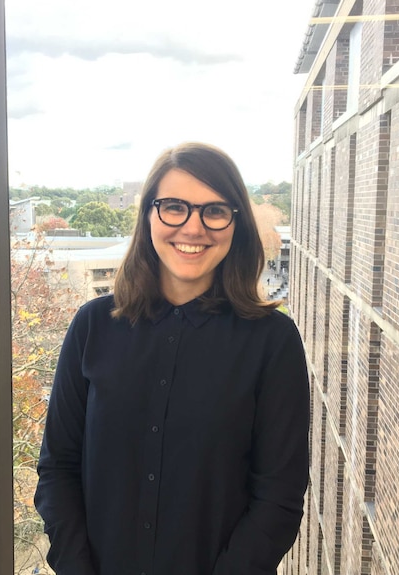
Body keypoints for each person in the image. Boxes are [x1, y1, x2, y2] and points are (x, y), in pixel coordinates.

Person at [34, 142, 310, 575]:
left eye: (215, 211)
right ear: (148, 215)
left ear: (235, 223)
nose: (193, 228)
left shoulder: (272, 343)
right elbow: (57, 468)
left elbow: (279, 495)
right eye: (174, 207)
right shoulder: (92, 327)